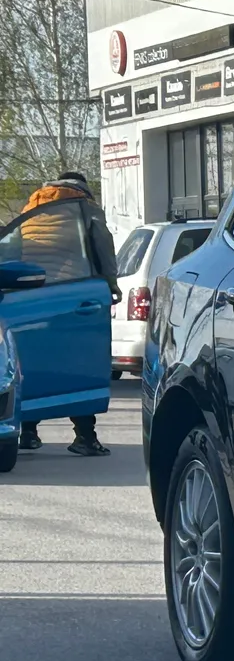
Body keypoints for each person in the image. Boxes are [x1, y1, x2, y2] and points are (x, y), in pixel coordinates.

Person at [16, 170, 119, 457]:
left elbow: (15, 248)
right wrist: (111, 284)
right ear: (83, 187)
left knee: (32, 363)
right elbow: (103, 247)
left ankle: (28, 433)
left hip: (31, 295)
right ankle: (85, 436)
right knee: (78, 363)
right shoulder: (85, 208)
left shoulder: (32, 206)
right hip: (72, 293)